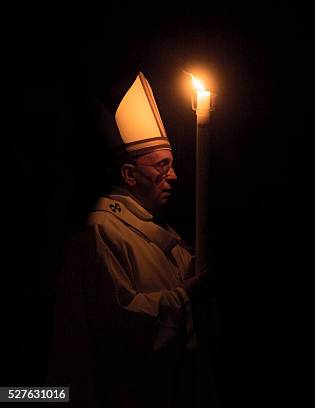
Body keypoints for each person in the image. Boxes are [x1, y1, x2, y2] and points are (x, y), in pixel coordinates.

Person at [48, 72, 209, 407]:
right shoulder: (103, 231)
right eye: (163, 166)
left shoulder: (166, 237)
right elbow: (118, 324)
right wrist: (184, 299)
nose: (174, 177)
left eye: (173, 165)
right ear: (129, 175)